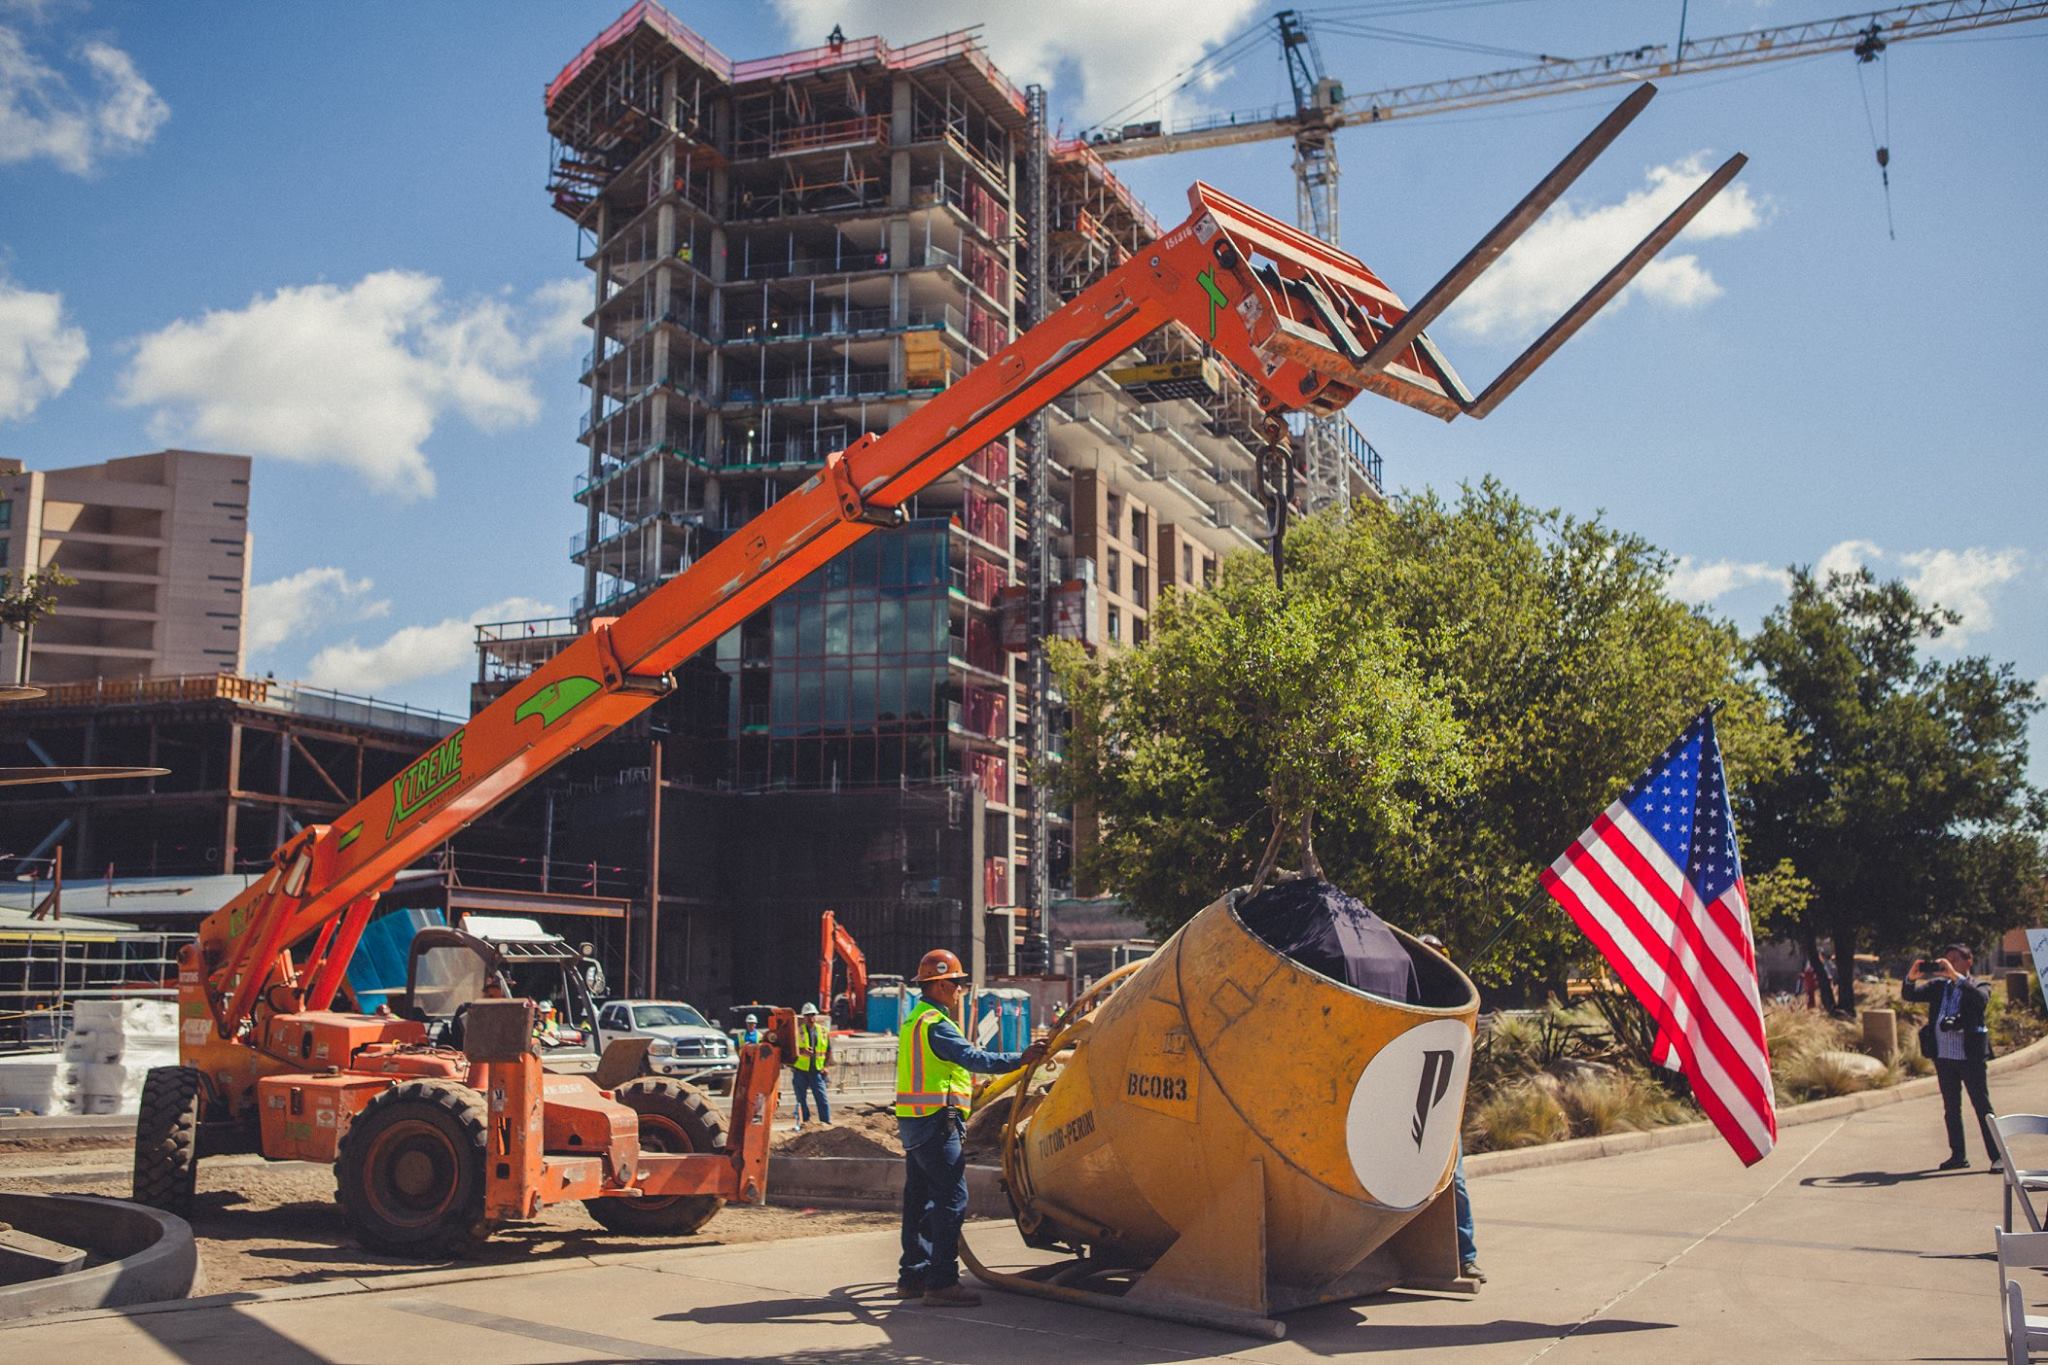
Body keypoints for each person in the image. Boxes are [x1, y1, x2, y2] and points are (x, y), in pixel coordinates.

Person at [895, 948, 1045, 1307]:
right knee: (952, 1199)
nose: (960, 989)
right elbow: (973, 1058)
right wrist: (1020, 1059)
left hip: (915, 1124)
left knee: (919, 1199)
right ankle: (942, 1281)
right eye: (958, 983)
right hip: (936, 1124)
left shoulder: (914, 1020)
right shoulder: (937, 1024)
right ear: (942, 985)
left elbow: (942, 1070)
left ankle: (913, 1275)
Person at [1418, 933, 1483, 1285]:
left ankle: (1466, 1256)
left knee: (1453, 1181)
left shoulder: (1458, 1000)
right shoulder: (1408, 999)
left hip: (1443, 1106)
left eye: (1438, 955)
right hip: (1408, 1105)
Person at [1903, 944, 1999, 1171]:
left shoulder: (1978, 984)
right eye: (1946, 960)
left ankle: (1998, 1157)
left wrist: (1956, 977)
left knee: (1982, 1106)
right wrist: (1911, 976)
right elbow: (1910, 994)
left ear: (1968, 961)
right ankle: (1958, 1156)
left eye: (1955, 959)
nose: (1949, 964)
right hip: (1944, 1057)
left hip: (1970, 1057)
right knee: (1951, 1109)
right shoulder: (1938, 987)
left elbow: (1980, 1000)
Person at [793, 1001, 832, 1125]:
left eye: (813, 1015)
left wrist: (825, 1066)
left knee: (822, 1098)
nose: (811, 1018)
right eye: (808, 1015)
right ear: (803, 1017)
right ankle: (804, 1122)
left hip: (816, 1070)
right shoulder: (797, 1032)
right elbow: (791, 1050)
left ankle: (825, 1121)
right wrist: (801, 1051)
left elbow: (828, 1050)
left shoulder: (824, 1032)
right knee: (801, 1099)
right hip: (801, 1070)